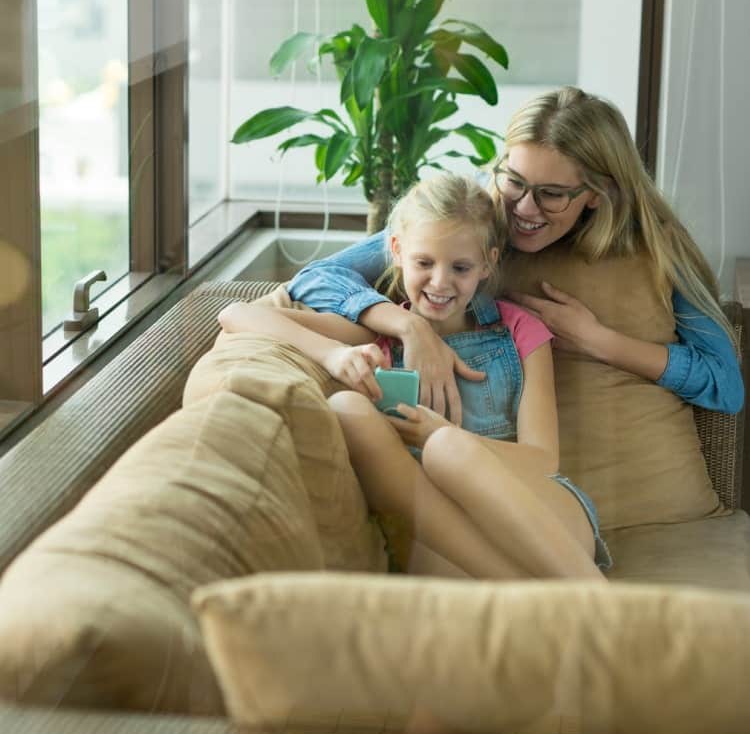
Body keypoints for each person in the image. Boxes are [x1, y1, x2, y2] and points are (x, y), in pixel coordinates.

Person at [219, 173, 609, 582]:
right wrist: (334, 355)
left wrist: (440, 436)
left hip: (546, 517)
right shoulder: (378, 334)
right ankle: (557, 597)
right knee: (346, 408)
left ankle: (584, 593)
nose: (440, 282)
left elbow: (542, 460)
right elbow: (236, 315)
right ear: (397, 251)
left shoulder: (521, 331)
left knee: (445, 450)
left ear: (489, 263)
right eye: (424, 263)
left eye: (460, 267)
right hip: (448, 538)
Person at [286, 86, 744, 424]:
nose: (523, 209)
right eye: (515, 181)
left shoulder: (660, 247)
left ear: (597, 193)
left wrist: (597, 340)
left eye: (550, 194)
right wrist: (409, 325)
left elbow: (725, 385)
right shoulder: (464, 225)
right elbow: (313, 280)